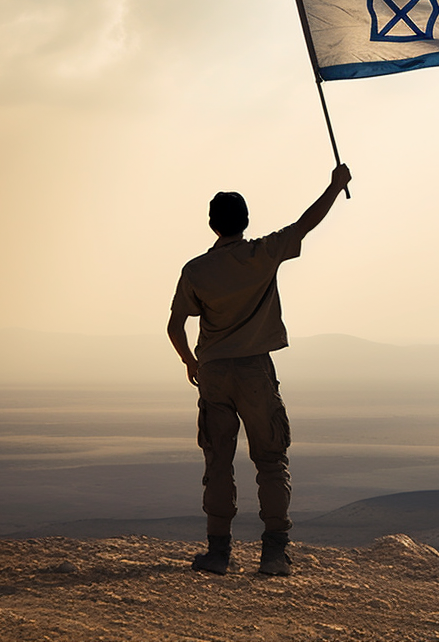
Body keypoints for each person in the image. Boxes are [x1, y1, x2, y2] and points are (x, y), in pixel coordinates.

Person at [167, 163, 352, 576]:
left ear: (213, 224)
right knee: (269, 459)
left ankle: (218, 553)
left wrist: (190, 361)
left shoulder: (196, 270)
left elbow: (175, 325)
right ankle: (274, 553)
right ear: (245, 221)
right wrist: (335, 186)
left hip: (213, 372)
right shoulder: (262, 254)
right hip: (254, 371)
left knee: (218, 461)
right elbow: (305, 224)